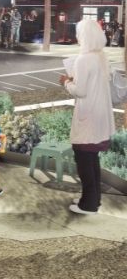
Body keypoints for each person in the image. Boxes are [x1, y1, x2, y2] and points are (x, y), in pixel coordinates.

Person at [60, 19, 115, 215]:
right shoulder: (101, 56)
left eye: (78, 33)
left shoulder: (84, 59)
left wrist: (66, 82)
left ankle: (88, 204)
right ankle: (93, 198)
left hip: (88, 116)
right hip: (100, 116)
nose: (77, 37)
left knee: (84, 159)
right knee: (92, 159)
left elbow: (80, 91)